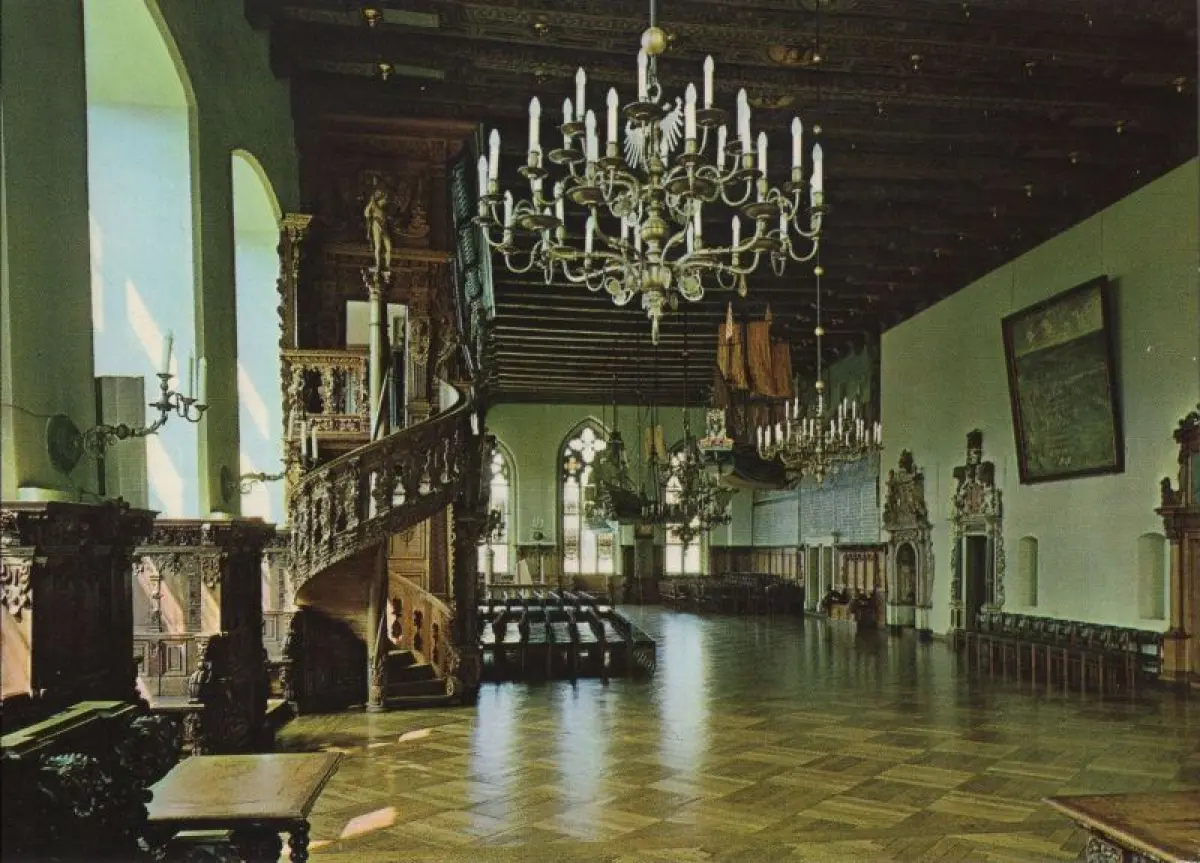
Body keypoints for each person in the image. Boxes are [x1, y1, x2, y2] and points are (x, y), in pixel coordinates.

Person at [364, 182, 393, 273]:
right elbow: (367, 216)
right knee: (378, 247)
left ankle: (387, 266)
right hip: (376, 226)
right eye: (385, 198)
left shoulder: (384, 210)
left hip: (383, 228)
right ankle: (377, 265)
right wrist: (368, 232)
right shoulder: (373, 205)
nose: (386, 200)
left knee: (389, 247)